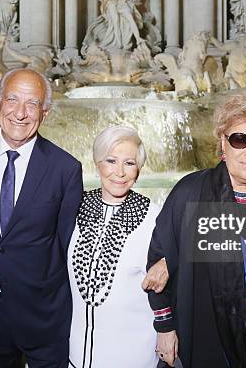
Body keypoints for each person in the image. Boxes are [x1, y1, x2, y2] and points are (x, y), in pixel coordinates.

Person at [146, 93, 246, 367]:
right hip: (207, 337)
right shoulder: (191, 191)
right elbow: (158, 257)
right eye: (240, 139)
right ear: (223, 143)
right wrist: (165, 328)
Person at [0, 68, 83, 367]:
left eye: (32, 104)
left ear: (45, 112)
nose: (21, 113)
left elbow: (66, 244)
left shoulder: (66, 169)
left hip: (42, 314)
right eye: (12, 99)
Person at [67, 126, 160, 368]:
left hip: (132, 354)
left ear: (138, 170)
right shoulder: (74, 208)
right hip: (74, 352)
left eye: (129, 163)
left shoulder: (154, 217)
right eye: (111, 161)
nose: (119, 172)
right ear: (97, 164)